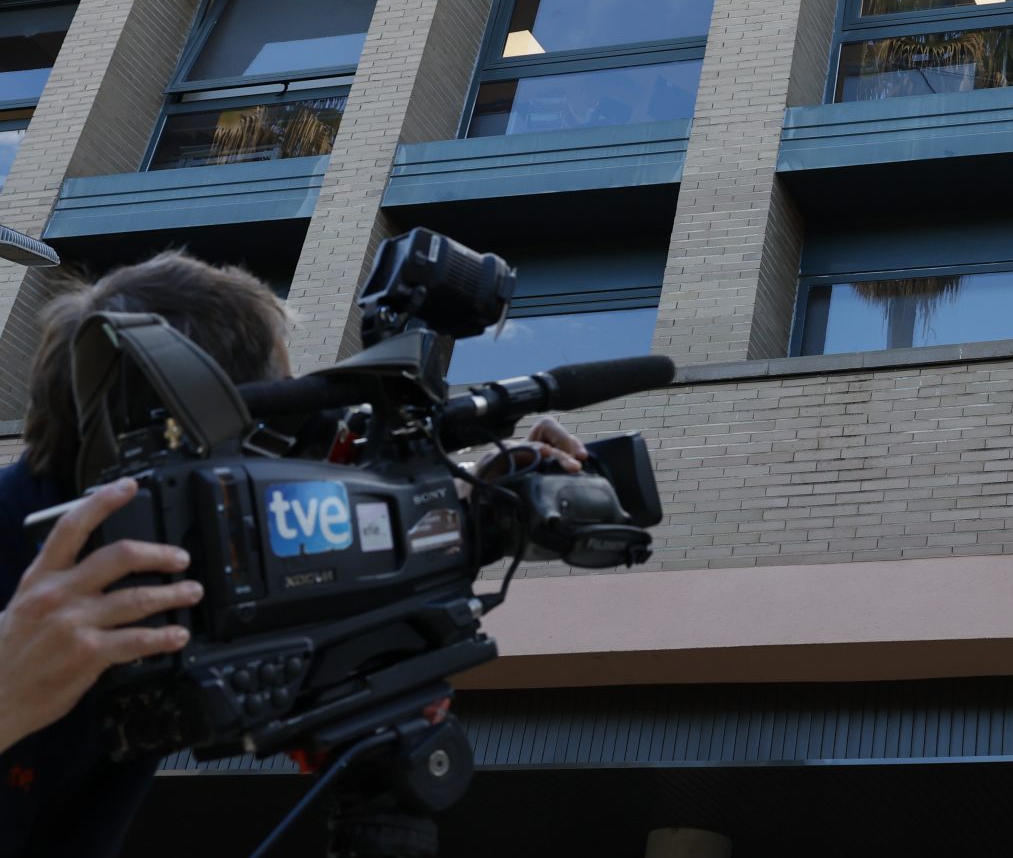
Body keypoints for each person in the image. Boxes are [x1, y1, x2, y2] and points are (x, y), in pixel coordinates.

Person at [0, 251, 583, 857]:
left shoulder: (165, 567)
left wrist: (466, 495)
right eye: (272, 429)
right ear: (174, 431)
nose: (286, 463)